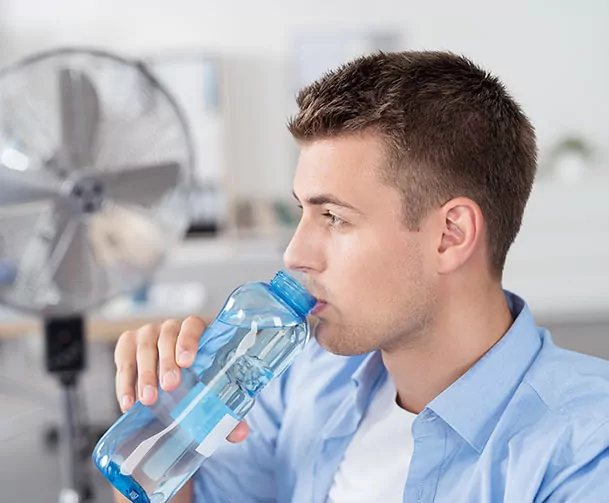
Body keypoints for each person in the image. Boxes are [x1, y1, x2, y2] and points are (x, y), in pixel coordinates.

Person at [110, 51, 609, 502]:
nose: (293, 254)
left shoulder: (585, 450)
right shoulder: (304, 382)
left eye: (334, 217)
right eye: (301, 212)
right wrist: (161, 425)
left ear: (450, 235)